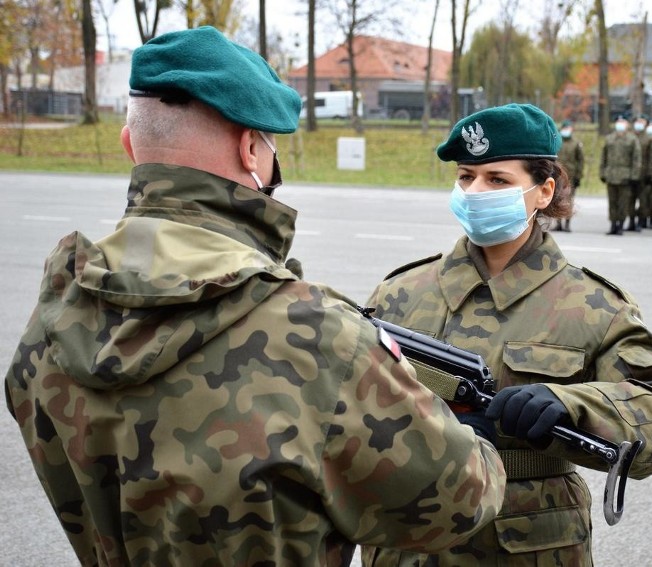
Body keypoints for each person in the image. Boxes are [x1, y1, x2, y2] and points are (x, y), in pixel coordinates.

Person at [3, 27, 506, 567]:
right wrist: (460, 429)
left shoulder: (51, 320)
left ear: (131, 147)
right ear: (250, 149)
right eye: (270, 148)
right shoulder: (314, 335)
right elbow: (460, 499)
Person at [360, 103, 652, 566]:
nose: (475, 192)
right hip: (408, 536)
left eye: (496, 180)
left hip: (527, 542)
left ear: (544, 191)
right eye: (466, 177)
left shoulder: (591, 304)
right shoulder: (400, 292)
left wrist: (572, 404)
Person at [600, 114, 643, 235]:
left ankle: (621, 224)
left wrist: (634, 175)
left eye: (622, 122)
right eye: (618, 121)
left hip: (625, 176)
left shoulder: (632, 139)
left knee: (623, 202)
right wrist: (602, 172)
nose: (620, 124)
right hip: (611, 175)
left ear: (627, 125)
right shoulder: (610, 138)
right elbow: (604, 157)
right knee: (612, 201)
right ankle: (613, 224)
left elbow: (636, 159)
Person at [553, 119, 584, 232]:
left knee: (569, 200)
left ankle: (567, 223)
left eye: (568, 128)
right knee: (556, 199)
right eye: (565, 128)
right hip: (557, 176)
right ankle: (558, 223)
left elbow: (580, 161)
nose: (566, 131)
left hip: (571, 176)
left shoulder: (576, 144)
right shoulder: (557, 143)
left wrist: (579, 176)